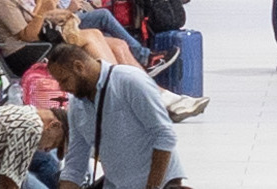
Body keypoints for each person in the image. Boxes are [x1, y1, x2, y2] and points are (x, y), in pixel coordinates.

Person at [49, 28, 180, 189]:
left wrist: (153, 186)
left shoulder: (130, 81)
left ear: (79, 67)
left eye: (64, 80)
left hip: (160, 183)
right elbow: (75, 162)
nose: (63, 87)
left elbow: (164, 135)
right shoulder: (77, 105)